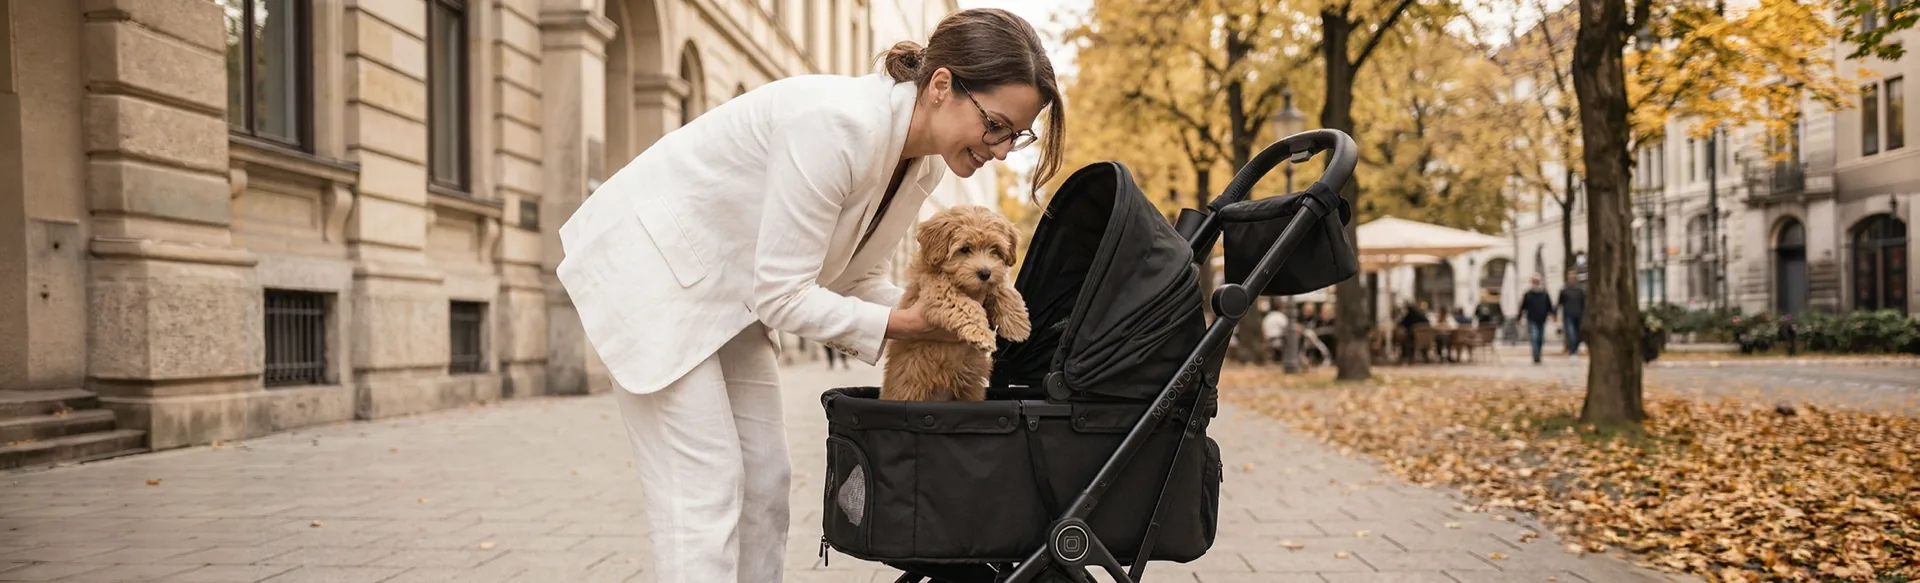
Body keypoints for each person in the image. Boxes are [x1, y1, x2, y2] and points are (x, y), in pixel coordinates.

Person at [552, 9, 1065, 582]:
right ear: (942, 85)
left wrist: (941, 311)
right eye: (995, 125)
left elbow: (855, 281)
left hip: (731, 291)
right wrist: (909, 325)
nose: (1000, 150)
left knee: (767, 480)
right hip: (655, 274)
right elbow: (783, 296)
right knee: (702, 488)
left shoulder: (921, 167)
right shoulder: (836, 125)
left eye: (1015, 135)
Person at [1518, 274, 1556, 364]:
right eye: (1534, 281)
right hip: (1532, 318)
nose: (1536, 283)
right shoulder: (1528, 294)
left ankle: (1538, 353)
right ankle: (1536, 356)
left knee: (1540, 338)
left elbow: (1549, 305)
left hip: (1542, 318)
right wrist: (1519, 317)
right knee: (1534, 336)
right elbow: (1523, 306)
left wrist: (1552, 314)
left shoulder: (1544, 293)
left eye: (1537, 281)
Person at [1558, 270, 1587, 358]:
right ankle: (1572, 351)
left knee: (1578, 333)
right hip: (1568, 315)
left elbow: (1584, 303)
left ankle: (1575, 348)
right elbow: (1560, 302)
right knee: (1571, 333)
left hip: (1579, 314)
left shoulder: (1580, 290)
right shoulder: (1564, 290)